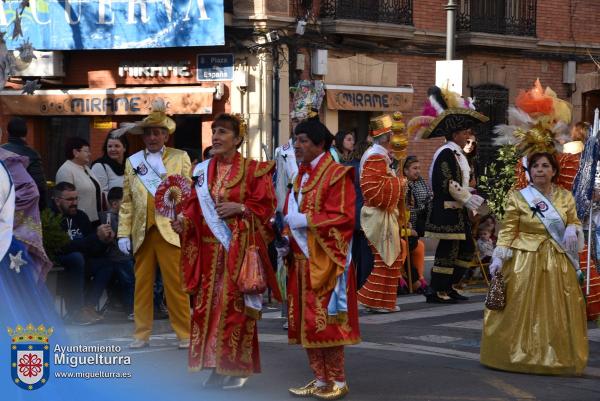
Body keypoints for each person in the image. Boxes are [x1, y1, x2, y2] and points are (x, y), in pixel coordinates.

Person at [172, 113, 281, 389]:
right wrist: (183, 222)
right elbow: (194, 207)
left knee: (234, 312)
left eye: (222, 132)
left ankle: (231, 367)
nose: (216, 137)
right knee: (206, 311)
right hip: (208, 256)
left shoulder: (254, 170)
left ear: (238, 139)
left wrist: (241, 208)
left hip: (238, 251)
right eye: (214, 131)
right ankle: (215, 364)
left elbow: (267, 210)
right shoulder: (202, 171)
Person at [481, 152, 588, 375]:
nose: (540, 169)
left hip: (557, 259)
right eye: (536, 166)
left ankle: (556, 356)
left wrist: (572, 228)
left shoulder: (565, 196)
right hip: (524, 260)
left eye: (545, 165)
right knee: (519, 306)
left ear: (554, 171)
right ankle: (512, 355)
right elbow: (509, 230)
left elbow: (575, 221)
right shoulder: (518, 197)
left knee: (556, 309)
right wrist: (499, 256)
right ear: (529, 172)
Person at [279, 117, 360, 400]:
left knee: (327, 325)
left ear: (320, 143)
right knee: (307, 324)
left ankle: (338, 380)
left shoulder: (337, 174)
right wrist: (286, 241)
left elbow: (344, 218)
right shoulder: (298, 176)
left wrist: (306, 220)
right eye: (296, 139)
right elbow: (292, 217)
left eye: (303, 140)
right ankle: (320, 378)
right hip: (300, 263)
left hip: (326, 263)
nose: (297, 145)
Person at [116, 99, 191, 349]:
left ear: (166, 136)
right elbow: (126, 201)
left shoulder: (180, 158)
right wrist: (122, 234)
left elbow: (189, 196)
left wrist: (185, 221)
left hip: (171, 230)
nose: (152, 137)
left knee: (176, 286)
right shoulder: (132, 162)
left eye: (157, 132)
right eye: (148, 133)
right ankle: (141, 334)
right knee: (142, 286)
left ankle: (185, 333)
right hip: (142, 231)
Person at [410, 86, 489, 303]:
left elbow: (462, 183)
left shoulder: (458, 154)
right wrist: (468, 198)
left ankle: (450, 286)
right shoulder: (445, 153)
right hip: (447, 212)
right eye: (465, 133)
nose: (468, 136)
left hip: (458, 212)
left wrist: (474, 196)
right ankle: (437, 290)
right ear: (455, 134)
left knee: (466, 249)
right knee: (449, 251)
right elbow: (446, 183)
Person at [356, 115, 407, 312]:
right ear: (386, 138)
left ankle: (382, 301)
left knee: (390, 259)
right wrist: (399, 183)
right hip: (378, 214)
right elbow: (373, 191)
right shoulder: (376, 156)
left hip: (383, 214)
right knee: (385, 259)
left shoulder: (379, 155)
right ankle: (370, 299)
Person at [52, 182, 114, 325]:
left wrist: (104, 241)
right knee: (76, 257)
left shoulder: (81, 216)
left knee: (107, 263)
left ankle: (88, 307)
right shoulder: (51, 216)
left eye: (76, 198)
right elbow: (63, 247)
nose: (74, 203)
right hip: (61, 261)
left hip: (82, 260)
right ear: (57, 201)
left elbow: (91, 247)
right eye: (69, 200)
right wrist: (94, 238)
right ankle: (75, 311)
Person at [95, 187, 135, 319]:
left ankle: (129, 308)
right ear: (114, 204)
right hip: (119, 257)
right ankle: (131, 310)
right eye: (125, 202)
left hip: (124, 257)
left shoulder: (115, 216)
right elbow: (113, 236)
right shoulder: (110, 217)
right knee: (129, 283)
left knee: (129, 282)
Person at [1, 116, 48, 209]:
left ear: (7, 132)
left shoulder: (1, 151)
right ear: (26, 133)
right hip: (25, 206)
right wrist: (42, 209)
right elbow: (40, 186)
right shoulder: (32, 154)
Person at [56, 137, 102, 224]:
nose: (90, 154)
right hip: (78, 221)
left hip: (94, 218)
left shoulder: (86, 168)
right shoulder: (66, 170)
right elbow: (66, 200)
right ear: (75, 152)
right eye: (86, 151)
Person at [403, 155, 431, 292]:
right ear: (406, 171)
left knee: (417, 244)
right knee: (409, 244)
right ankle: (412, 280)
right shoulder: (402, 184)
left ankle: (419, 278)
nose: (417, 171)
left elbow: (427, 198)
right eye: (414, 168)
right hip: (403, 224)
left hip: (415, 223)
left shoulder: (421, 182)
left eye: (419, 168)